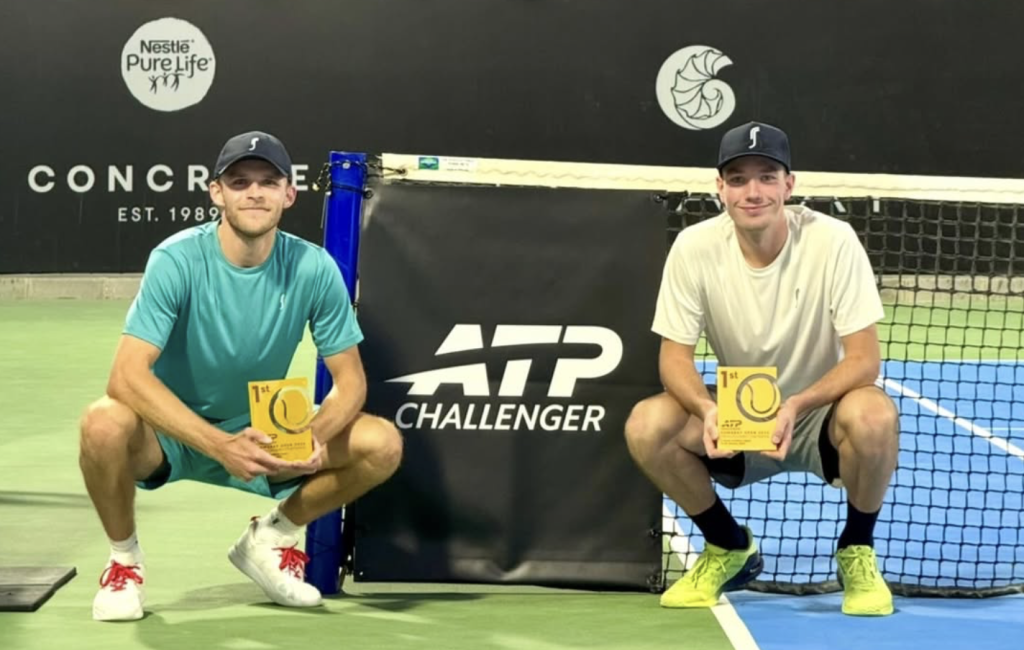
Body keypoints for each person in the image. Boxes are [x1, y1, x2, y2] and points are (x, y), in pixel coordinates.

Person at [79, 131, 403, 621]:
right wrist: (218, 445)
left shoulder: (314, 267)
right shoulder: (176, 258)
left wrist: (313, 437)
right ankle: (124, 562)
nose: (255, 193)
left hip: (262, 433)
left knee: (381, 444)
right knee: (102, 422)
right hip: (168, 434)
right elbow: (125, 377)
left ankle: (270, 538)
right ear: (217, 193)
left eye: (268, 182)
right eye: (240, 182)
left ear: (289, 194)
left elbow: (351, 382)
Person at [624, 121, 898, 616]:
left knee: (874, 415)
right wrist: (707, 410)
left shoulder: (833, 240)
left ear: (789, 185)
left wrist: (797, 404)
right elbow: (674, 358)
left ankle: (857, 548)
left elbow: (864, 359)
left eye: (767, 177)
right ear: (720, 188)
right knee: (648, 425)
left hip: (819, 416)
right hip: (737, 417)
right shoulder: (694, 247)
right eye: (738, 179)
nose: (753, 192)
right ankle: (727, 545)